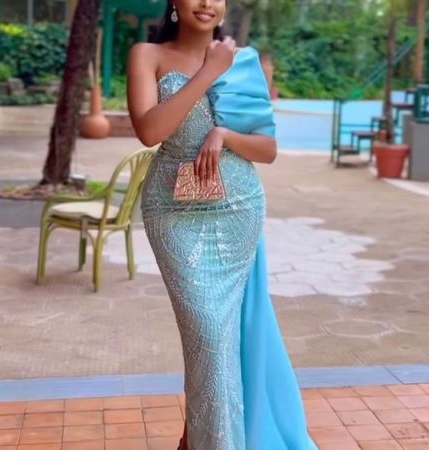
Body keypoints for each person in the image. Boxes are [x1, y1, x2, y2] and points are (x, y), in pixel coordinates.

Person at [127, 1, 318, 449]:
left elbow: (267, 150)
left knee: (222, 340)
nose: (207, 3)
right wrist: (209, 71)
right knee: (208, 334)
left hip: (237, 208)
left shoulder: (244, 60)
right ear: (175, 3)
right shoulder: (147, 55)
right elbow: (150, 131)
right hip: (173, 211)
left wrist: (224, 135)